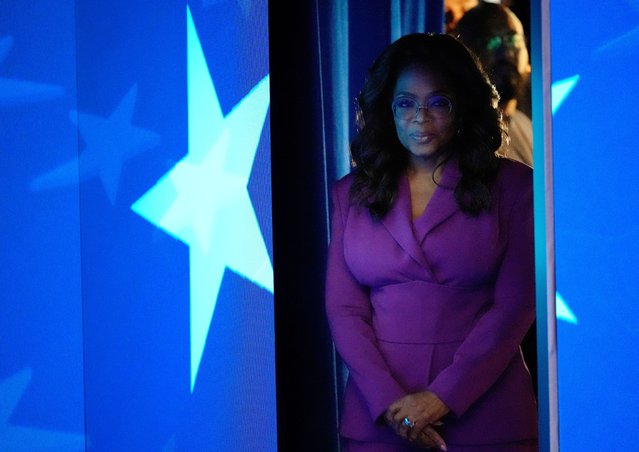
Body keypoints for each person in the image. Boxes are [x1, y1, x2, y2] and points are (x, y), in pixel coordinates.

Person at [325, 33, 537, 451]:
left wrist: (442, 399)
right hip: (378, 419)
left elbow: (514, 307)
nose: (420, 118)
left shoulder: (514, 187)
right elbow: (343, 309)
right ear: (389, 110)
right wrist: (391, 404)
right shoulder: (350, 193)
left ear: (463, 108)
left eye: (438, 102)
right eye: (406, 103)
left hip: (489, 415)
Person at [455, 1, 533, 167]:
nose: (506, 52)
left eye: (513, 40)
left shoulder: (529, 128)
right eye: (492, 42)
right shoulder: (457, 134)